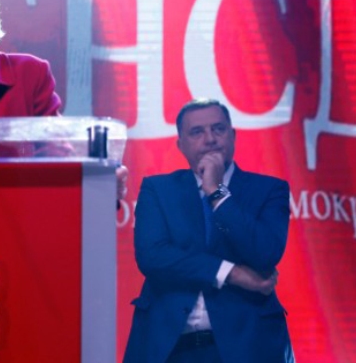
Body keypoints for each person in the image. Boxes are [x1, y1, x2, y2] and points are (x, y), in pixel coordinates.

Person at [124, 98, 294, 363]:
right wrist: (230, 273)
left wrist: (217, 192)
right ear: (180, 144)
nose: (210, 139)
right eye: (197, 132)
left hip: (249, 345)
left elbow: (264, 254)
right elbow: (153, 257)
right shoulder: (158, 189)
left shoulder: (270, 190)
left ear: (233, 135)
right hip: (169, 346)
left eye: (218, 129)